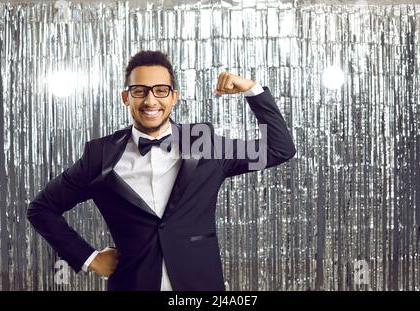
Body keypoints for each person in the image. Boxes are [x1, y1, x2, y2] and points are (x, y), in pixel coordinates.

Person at [27, 50, 296, 291]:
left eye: (160, 90)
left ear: (173, 97)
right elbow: (41, 209)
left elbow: (279, 149)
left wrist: (252, 90)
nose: (150, 100)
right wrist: (89, 258)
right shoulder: (99, 155)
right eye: (140, 91)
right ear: (126, 97)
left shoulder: (205, 144)